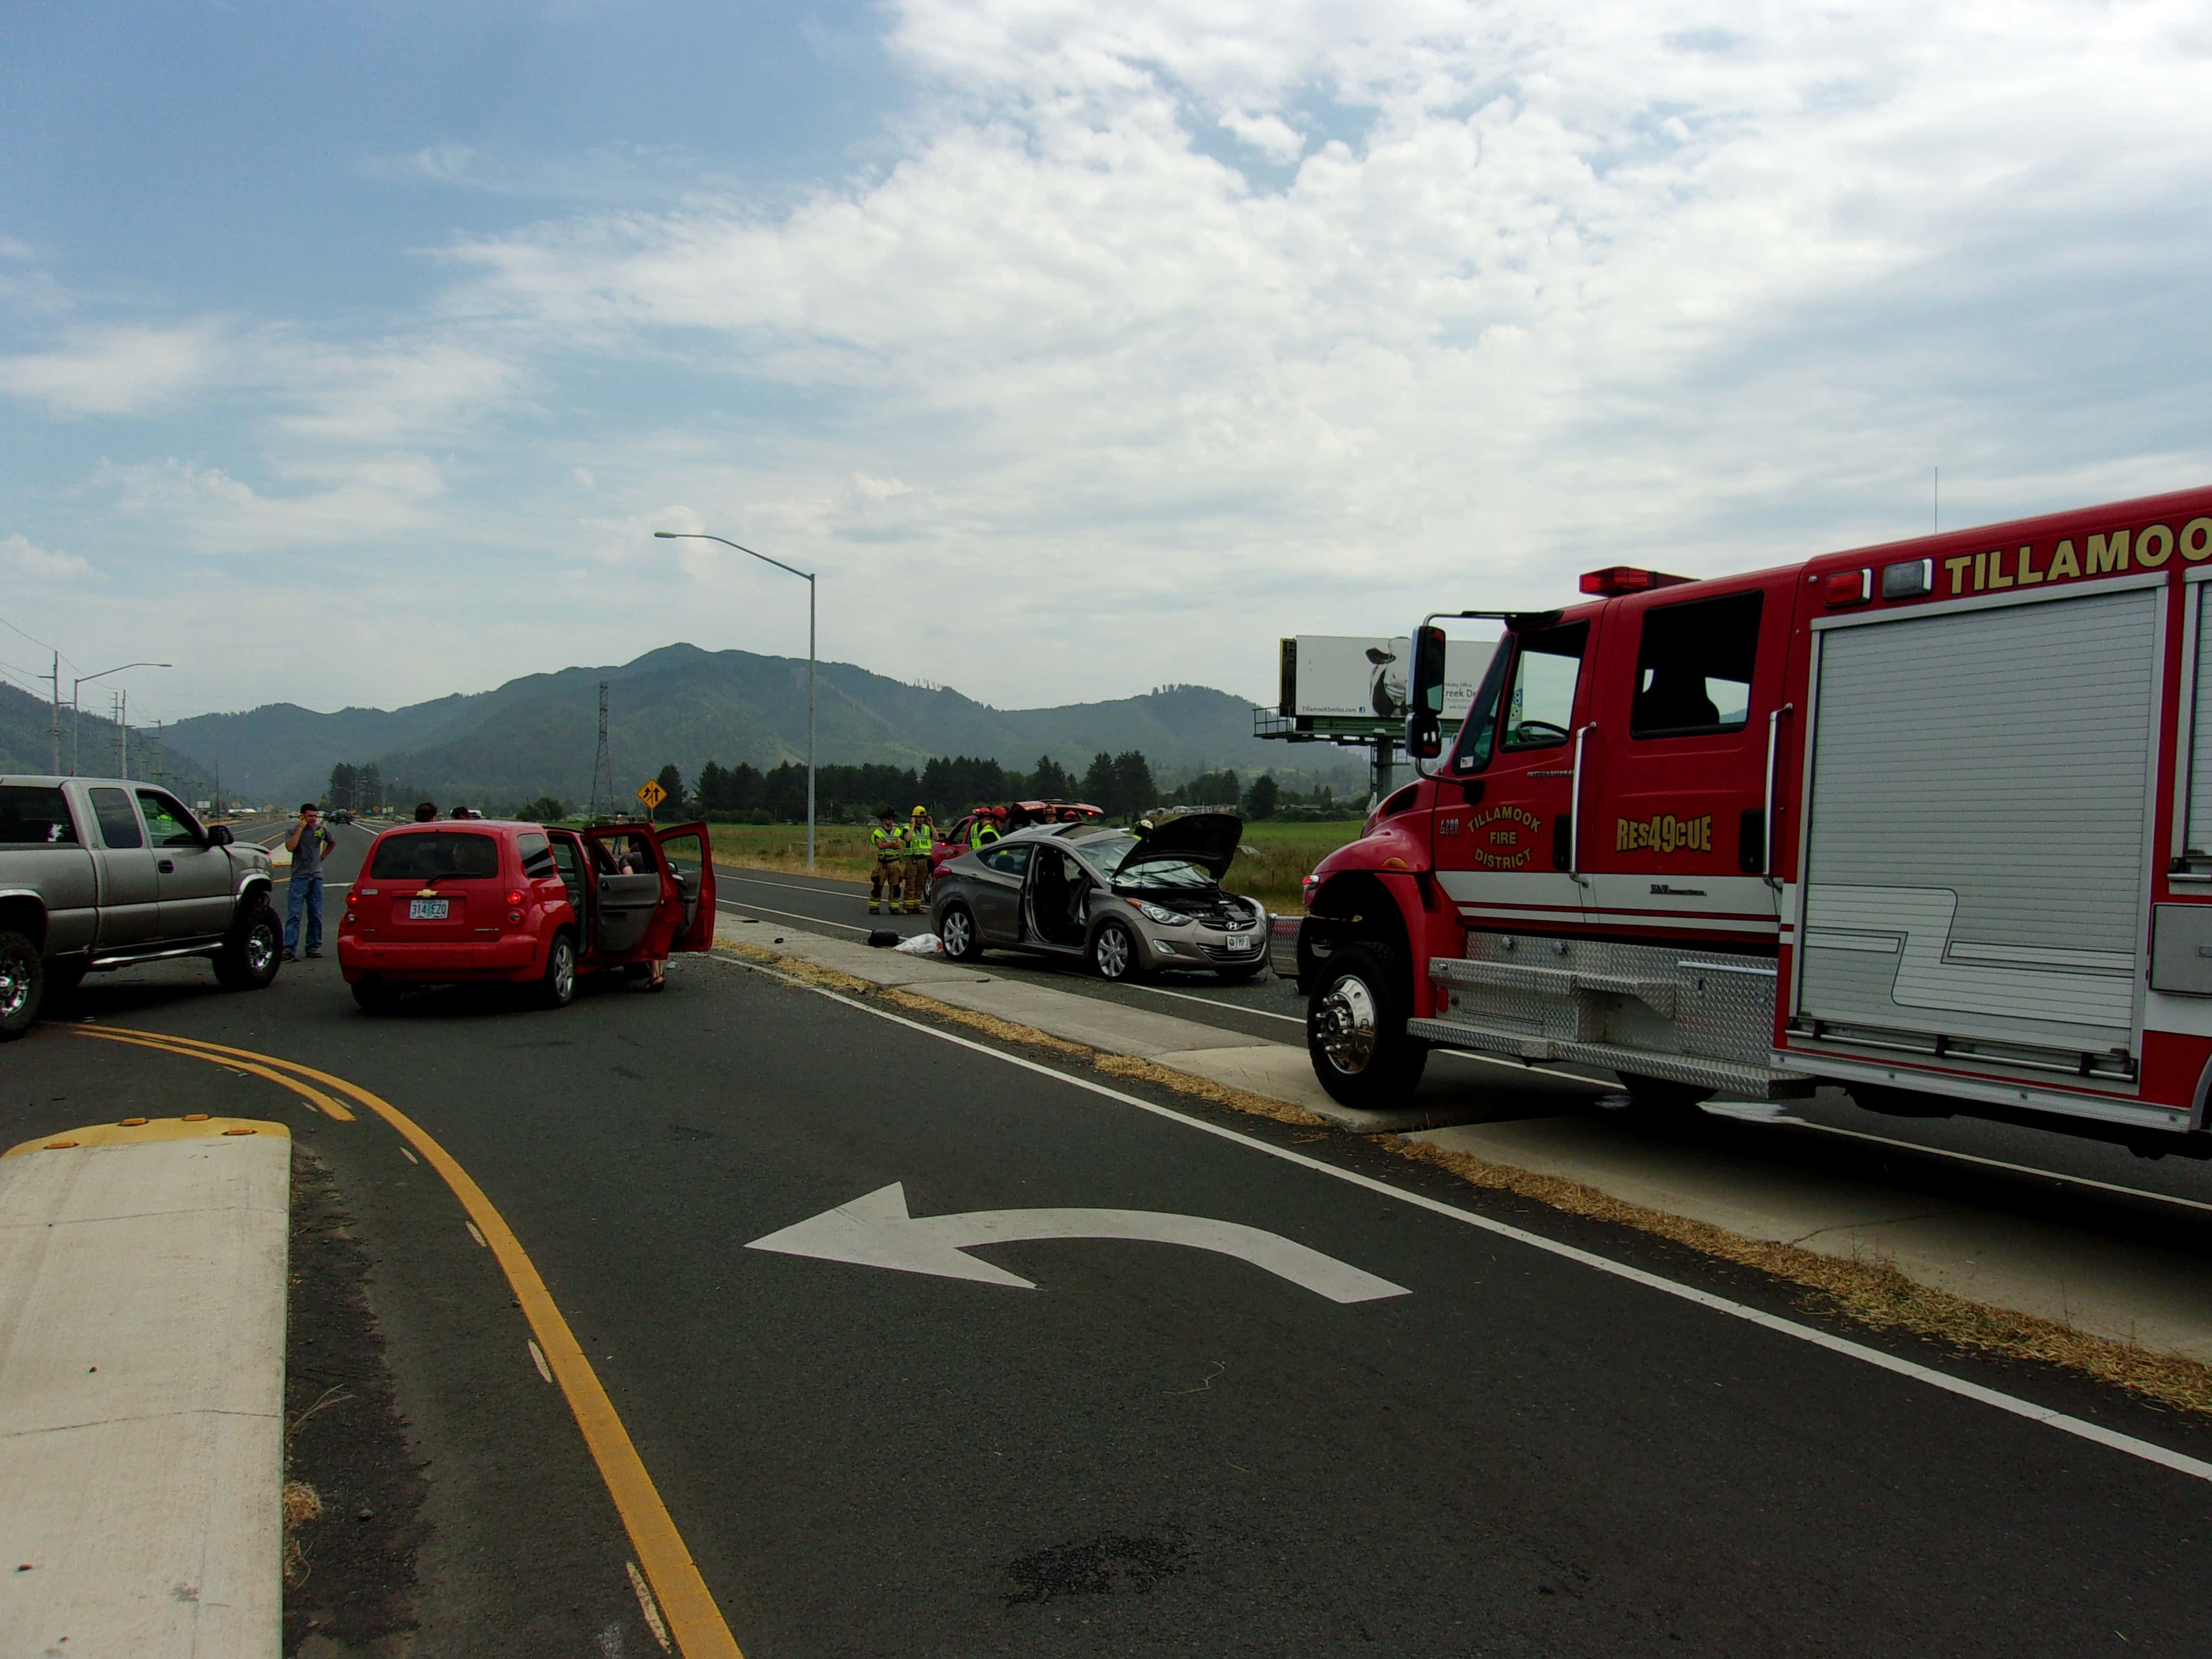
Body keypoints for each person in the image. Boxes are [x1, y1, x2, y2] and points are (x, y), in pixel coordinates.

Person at [282, 802, 337, 961]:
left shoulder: (320, 830)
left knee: (316, 914)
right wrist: (300, 828)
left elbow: (332, 842)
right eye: (310, 816)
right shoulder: (293, 831)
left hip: (316, 877)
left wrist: (323, 857)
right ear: (303, 816)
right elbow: (290, 847)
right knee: (294, 914)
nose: (313, 819)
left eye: (315, 816)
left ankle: (313, 946)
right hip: (299, 877)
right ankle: (289, 948)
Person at [868, 807, 904, 914]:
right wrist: (891, 844)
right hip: (883, 863)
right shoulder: (878, 832)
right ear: (884, 820)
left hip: (895, 862)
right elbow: (880, 845)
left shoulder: (897, 831)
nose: (891, 821)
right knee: (878, 886)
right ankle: (874, 907)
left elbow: (899, 845)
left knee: (896, 887)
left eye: (892, 819)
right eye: (889, 819)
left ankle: (894, 907)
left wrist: (888, 844)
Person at [904, 805, 935, 914]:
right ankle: (908, 907)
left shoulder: (926, 829)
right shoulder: (907, 828)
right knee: (911, 883)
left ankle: (917, 906)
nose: (921, 819)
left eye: (923, 817)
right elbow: (907, 838)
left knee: (920, 884)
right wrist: (912, 825)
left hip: (924, 860)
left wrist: (931, 825)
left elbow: (936, 838)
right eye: (919, 817)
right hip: (912, 860)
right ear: (914, 818)